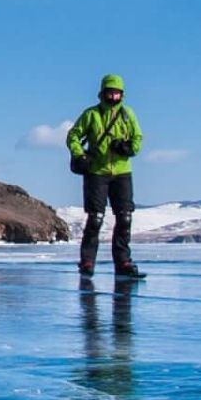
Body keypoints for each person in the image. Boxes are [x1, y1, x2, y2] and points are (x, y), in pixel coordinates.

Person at [65, 73, 145, 279]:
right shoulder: (91, 115)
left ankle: (123, 262)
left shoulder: (128, 115)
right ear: (102, 93)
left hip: (122, 172)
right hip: (96, 173)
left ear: (122, 94)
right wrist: (79, 154)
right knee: (95, 218)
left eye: (116, 92)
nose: (113, 96)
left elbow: (138, 137)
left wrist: (128, 148)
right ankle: (88, 261)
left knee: (125, 217)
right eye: (110, 92)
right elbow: (73, 135)